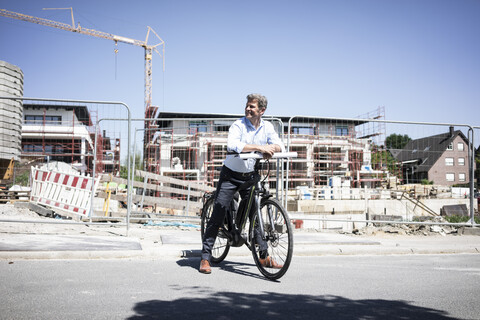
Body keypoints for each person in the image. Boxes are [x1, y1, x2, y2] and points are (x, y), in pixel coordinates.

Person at [200, 93, 285, 274]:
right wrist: (259, 147)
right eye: (247, 105)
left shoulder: (267, 127)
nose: (248, 108)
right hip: (230, 175)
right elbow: (233, 144)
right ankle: (205, 257)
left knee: (255, 214)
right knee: (219, 210)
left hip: (250, 174)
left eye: (252, 107)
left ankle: (264, 256)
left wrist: (271, 149)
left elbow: (279, 145)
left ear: (262, 111)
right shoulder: (238, 125)